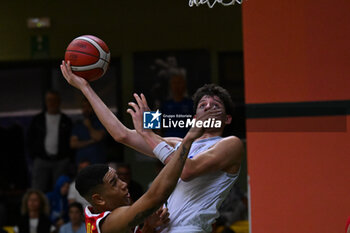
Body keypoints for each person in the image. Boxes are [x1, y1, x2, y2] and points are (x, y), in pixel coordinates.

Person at [60, 61, 243, 233]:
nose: (208, 107)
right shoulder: (179, 143)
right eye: (203, 104)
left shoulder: (230, 144)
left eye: (216, 105)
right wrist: (85, 87)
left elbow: (186, 170)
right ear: (195, 117)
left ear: (227, 119)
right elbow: (121, 134)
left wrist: (149, 134)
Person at [28, 90, 73, 193]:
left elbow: (70, 140)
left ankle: (59, 209)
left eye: (55, 100)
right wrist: (35, 155)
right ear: (45, 102)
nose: (52, 103)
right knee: (38, 189)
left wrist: (67, 156)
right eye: (49, 100)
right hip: (41, 159)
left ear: (59, 102)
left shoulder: (66, 120)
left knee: (60, 188)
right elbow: (30, 139)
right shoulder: (38, 120)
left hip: (61, 160)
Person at [70, 98, 106, 164]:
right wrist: (91, 141)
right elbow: (73, 144)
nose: (86, 109)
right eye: (84, 107)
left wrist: (89, 126)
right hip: (82, 163)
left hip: (97, 161)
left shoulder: (100, 121)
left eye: (88, 106)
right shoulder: (78, 124)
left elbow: (98, 137)